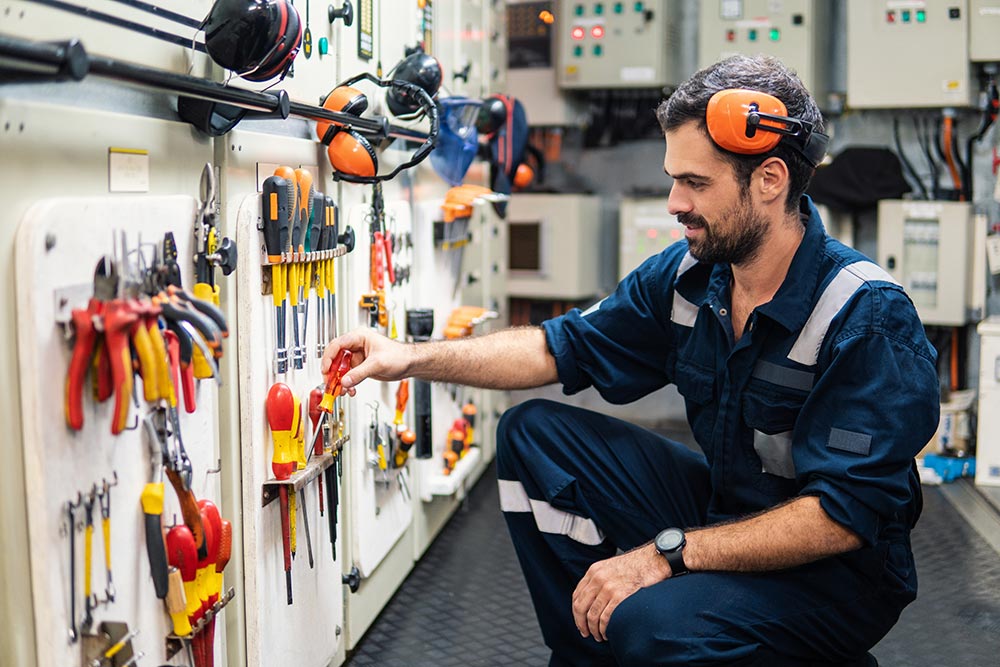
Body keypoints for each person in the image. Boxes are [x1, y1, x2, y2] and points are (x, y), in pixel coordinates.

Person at [321, 55, 940, 666]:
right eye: (674, 178)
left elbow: (839, 519)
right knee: (534, 437)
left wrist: (664, 555)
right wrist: (407, 358)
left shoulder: (866, 316)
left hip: (834, 578)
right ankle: (587, 655)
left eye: (695, 183)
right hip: (730, 512)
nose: (673, 202)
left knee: (646, 626)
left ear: (770, 180)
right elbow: (553, 346)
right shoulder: (690, 279)